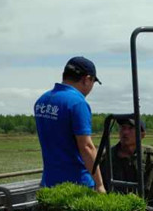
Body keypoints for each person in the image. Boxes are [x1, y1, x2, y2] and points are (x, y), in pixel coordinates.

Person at [34, 56, 105, 192]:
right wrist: (99, 184)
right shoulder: (77, 103)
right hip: (77, 184)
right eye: (93, 82)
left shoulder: (42, 101)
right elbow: (86, 147)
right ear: (87, 79)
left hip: (49, 182)